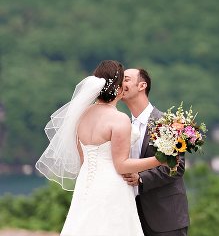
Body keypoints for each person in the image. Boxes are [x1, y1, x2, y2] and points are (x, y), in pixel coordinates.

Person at [36, 60, 163, 236]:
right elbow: (121, 165)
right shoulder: (119, 119)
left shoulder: (80, 115)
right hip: (112, 186)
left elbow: (83, 159)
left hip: (86, 184)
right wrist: (158, 160)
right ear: (118, 90)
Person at [121, 68, 190, 236]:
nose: (120, 83)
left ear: (142, 85)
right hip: (131, 218)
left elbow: (177, 167)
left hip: (166, 217)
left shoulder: (166, 122)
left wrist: (141, 178)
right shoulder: (122, 126)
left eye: (126, 79)